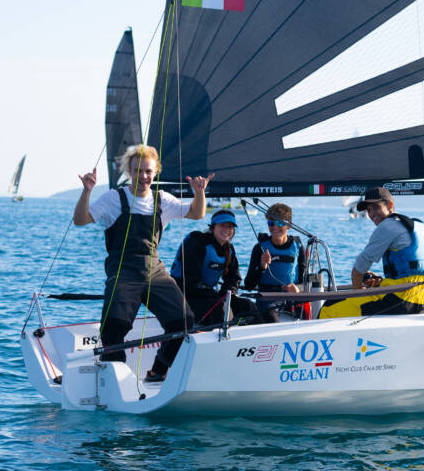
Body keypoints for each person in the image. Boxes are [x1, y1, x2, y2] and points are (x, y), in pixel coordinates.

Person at [74, 144, 212, 383]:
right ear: (130, 171)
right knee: (113, 327)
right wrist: (86, 191)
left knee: (184, 321)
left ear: (155, 171)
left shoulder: (163, 200)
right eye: (138, 171)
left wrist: (199, 192)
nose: (144, 176)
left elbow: (197, 214)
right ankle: (117, 378)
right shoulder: (113, 198)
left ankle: (159, 370)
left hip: (154, 270)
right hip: (123, 271)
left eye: (148, 171)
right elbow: (80, 220)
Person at [319, 187, 424, 318]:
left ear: (390, 205)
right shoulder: (418, 226)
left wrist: (358, 293)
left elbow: (358, 270)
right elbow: (412, 272)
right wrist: (381, 281)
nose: (372, 214)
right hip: (421, 301)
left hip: (399, 301)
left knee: (329, 307)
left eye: (376, 207)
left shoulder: (387, 225)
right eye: (368, 210)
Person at [170, 209, 256, 327]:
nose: (226, 230)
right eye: (222, 226)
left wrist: (228, 294)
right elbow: (190, 279)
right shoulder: (197, 242)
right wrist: (218, 298)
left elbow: (234, 278)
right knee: (221, 308)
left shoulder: (229, 250)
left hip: (209, 296)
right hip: (185, 297)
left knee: (248, 305)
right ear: (212, 227)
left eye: (230, 227)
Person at [243, 203, 308, 323]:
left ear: (289, 225)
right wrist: (262, 267)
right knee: (271, 317)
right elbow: (248, 285)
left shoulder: (298, 247)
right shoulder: (259, 248)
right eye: (271, 223)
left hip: (291, 300)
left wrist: (298, 288)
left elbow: (306, 282)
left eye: (279, 223)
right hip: (268, 300)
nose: (275, 227)